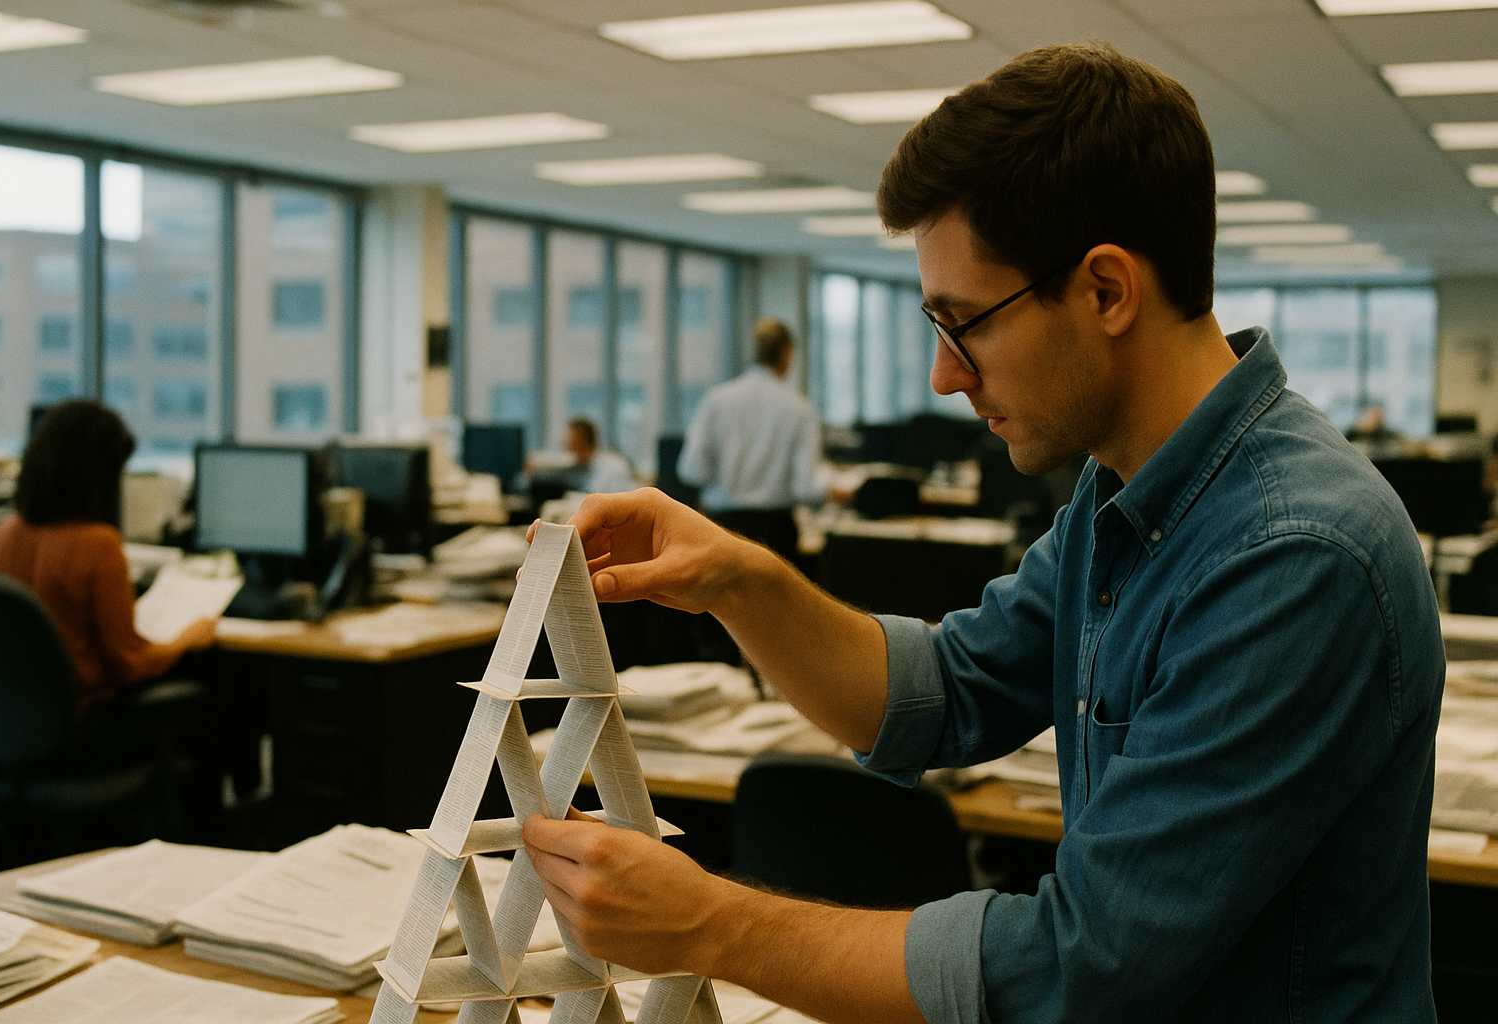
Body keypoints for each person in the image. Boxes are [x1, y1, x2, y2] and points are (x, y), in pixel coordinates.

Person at [520, 42, 1442, 1024]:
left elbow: (1081, 967)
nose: (943, 377)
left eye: (965, 325)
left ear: (1106, 291)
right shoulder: (1123, 489)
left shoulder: (1291, 554)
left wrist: (713, 924)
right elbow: (943, 692)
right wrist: (741, 580)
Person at [0, 401, 217, 711]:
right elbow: (127, 666)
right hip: (81, 726)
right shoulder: (98, 545)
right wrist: (187, 639)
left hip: (8, 728)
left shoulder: (0, 536)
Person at [676, 318, 823, 561]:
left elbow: (691, 471)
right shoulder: (800, 409)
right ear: (787, 353)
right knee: (770, 600)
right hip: (776, 533)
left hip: (721, 527)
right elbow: (805, 486)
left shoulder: (717, 400)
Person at [561, 417, 637, 495]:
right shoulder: (586, 468)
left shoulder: (612, 467)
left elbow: (615, 500)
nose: (568, 453)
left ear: (583, 444)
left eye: (571, 448)